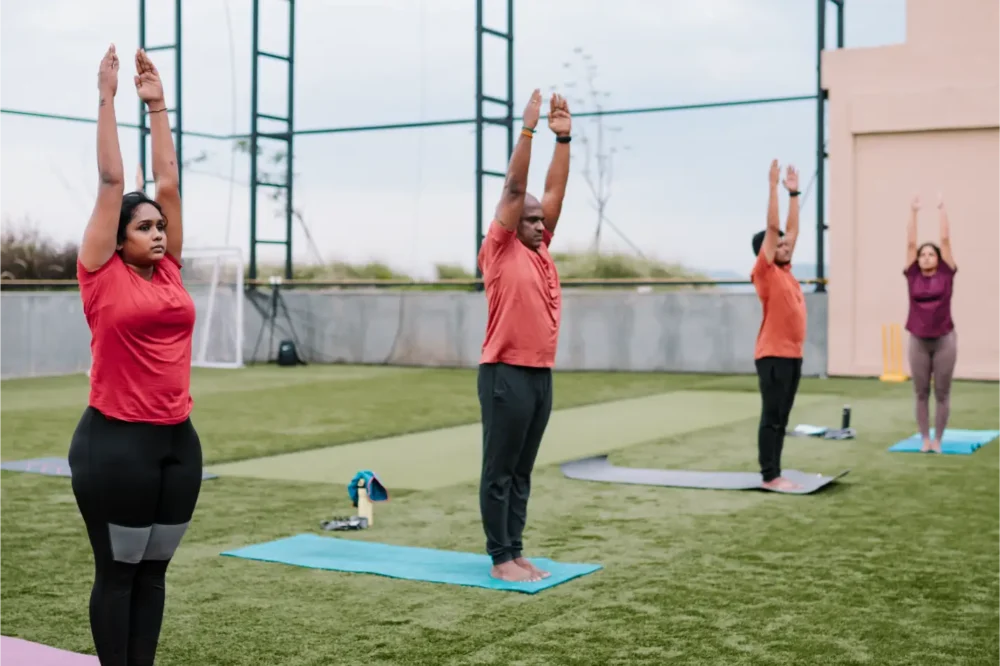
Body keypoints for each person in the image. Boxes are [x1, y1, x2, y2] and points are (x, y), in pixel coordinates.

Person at [69, 45, 202, 666]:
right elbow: (112, 184)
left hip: (177, 441)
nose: (157, 233)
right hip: (115, 443)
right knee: (119, 572)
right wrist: (109, 97)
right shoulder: (101, 273)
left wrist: (158, 107)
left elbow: (168, 183)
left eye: (160, 226)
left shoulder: (169, 270)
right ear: (117, 239)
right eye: (144, 227)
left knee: (154, 573)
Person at [477, 89, 571, 583]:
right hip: (505, 373)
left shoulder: (539, 247)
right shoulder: (501, 247)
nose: (539, 225)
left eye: (541, 221)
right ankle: (500, 559)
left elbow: (553, 193)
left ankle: (515, 550)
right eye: (530, 220)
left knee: (521, 471)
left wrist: (564, 140)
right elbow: (517, 189)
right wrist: (529, 130)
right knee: (499, 471)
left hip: (539, 376)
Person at [749, 159, 805, 492]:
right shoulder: (766, 272)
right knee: (772, 417)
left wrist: (794, 194)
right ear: (766, 253)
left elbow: (790, 231)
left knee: (782, 418)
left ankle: (775, 471)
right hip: (772, 356)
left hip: (792, 356)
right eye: (779, 245)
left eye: (786, 245)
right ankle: (769, 475)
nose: (785, 246)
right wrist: (773, 188)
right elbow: (774, 229)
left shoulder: (786, 272)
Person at [904, 195, 958, 453]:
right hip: (918, 339)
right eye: (922, 255)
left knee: (942, 392)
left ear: (938, 258)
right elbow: (911, 243)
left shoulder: (946, 273)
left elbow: (945, 241)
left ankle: (938, 440)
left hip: (944, 338)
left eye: (930, 254)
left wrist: (942, 211)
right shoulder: (913, 274)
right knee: (921, 391)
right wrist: (913, 212)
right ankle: (925, 439)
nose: (925, 257)